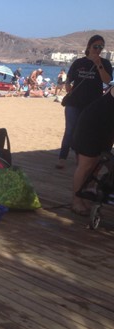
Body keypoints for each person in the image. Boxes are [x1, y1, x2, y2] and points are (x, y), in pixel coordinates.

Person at [56, 34, 113, 169]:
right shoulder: (79, 62)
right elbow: (70, 77)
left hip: (93, 105)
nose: (98, 49)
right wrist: (68, 85)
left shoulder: (105, 63)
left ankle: (79, 158)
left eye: (101, 47)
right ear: (89, 46)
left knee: (85, 132)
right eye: (96, 46)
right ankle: (62, 157)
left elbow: (107, 80)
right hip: (74, 102)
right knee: (70, 130)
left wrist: (98, 64)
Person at [70, 87, 114, 215]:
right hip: (92, 124)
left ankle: (87, 195)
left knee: (97, 165)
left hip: (107, 127)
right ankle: (76, 201)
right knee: (86, 165)